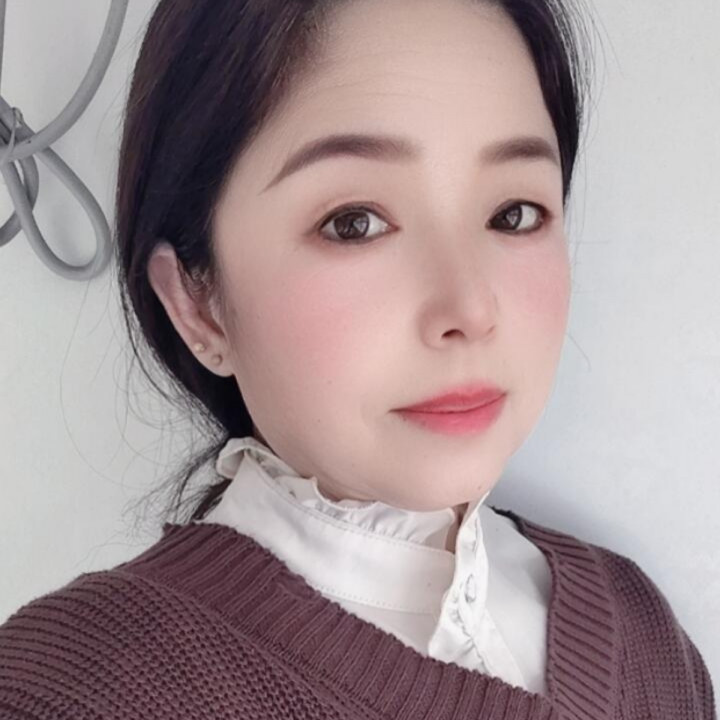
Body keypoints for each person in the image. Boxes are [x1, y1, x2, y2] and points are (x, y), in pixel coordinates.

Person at [0, 0, 715, 718]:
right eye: (354, 224)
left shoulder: (642, 633)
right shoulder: (64, 693)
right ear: (198, 303)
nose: (469, 309)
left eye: (514, 214)